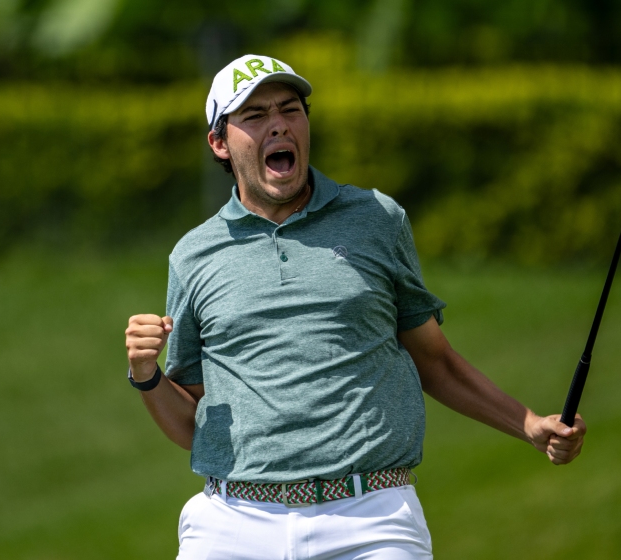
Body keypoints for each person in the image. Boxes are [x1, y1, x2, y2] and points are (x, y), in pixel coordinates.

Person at [124, 54, 586, 559]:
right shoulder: (194, 255)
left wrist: (529, 425)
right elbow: (194, 420)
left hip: (371, 520)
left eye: (290, 109)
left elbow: (436, 362)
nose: (278, 124)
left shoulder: (376, 219)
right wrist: (146, 373)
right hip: (233, 523)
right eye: (254, 116)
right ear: (219, 142)